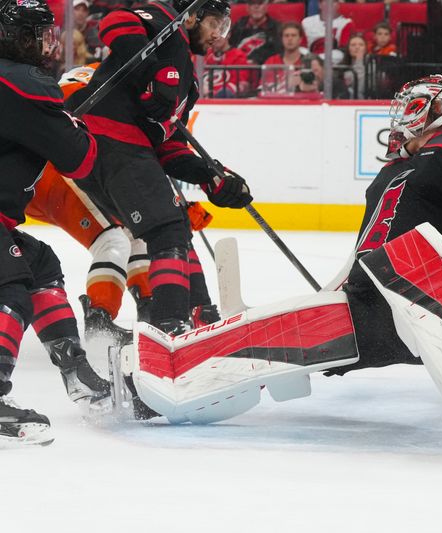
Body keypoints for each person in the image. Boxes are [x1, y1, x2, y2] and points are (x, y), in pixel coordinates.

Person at [122, 75, 442, 456]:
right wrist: (329, 296)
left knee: (409, 255)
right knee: (276, 333)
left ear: (440, 110)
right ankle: (163, 380)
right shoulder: (394, 172)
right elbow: (369, 251)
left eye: (413, 106)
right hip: (373, 307)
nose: (402, 116)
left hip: (436, 298)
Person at [66, 0, 253, 336]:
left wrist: (210, 176)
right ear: (192, 17)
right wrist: (151, 71)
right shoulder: (167, 24)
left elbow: (170, 146)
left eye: (223, 28)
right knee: (167, 230)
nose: (218, 35)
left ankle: (199, 313)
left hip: (120, 150)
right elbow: (114, 22)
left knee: (175, 224)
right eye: (214, 24)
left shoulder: (188, 84)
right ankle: (171, 328)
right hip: (110, 139)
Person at [0, 0, 110, 445]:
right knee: (11, 289)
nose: (46, 45)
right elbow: (80, 160)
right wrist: (73, 125)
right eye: (38, 36)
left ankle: (77, 371)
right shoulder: (22, 84)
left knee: (40, 264)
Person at [228, 0, 281, 65]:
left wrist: (256, 60)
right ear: (247, 7)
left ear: (266, 6)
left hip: (265, 67)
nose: (256, 7)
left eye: (260, 3)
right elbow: (230, 49)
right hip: (238, 67)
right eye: (252, 3)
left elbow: (278, 52)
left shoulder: (277, 28)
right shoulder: (238, 27)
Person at [301, 0, 353, 64]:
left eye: (334, 1)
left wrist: (318, 59)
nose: (329, 4)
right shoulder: (306, 22)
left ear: (338, 5)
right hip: (309, 59)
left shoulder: (346, 23)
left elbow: (343, 50)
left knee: (340, 55)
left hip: (334, 61)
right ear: (320, 5)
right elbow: (302, 46)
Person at [261, 22, 306, 94]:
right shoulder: (271, 61)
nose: (290, 39)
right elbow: (264, 87)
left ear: (300, 39)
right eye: (286, 36)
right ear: (282, 39)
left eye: (293, 35)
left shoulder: (308, 62)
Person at [341, 33, 367, 99]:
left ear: (365, 49)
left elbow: (360, 88)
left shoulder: (372, 66)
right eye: (353, 45)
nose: (357, 47)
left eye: (361, 45)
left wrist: (359, 61)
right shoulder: (340, 67)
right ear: (348, 48)